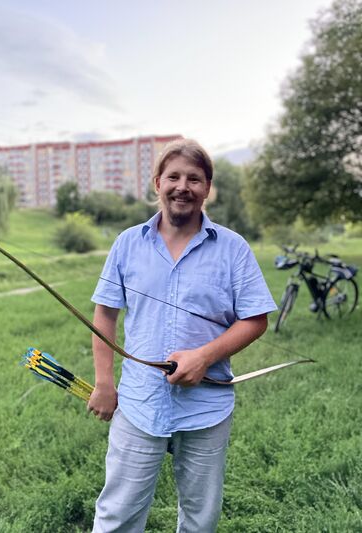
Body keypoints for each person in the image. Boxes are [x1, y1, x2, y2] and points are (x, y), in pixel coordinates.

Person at [87, 138, 277, 532]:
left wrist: (204, 356)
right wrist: (104, 383)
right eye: (173, 177)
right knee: (117, 515)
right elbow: (105, 314)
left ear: (207, 188)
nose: (182, 187)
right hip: (138, 404)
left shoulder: (233, 248)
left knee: (200, 519)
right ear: (157, 183)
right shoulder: (127, 244)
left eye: (194, 179)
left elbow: (255, 319)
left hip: (207, 407)